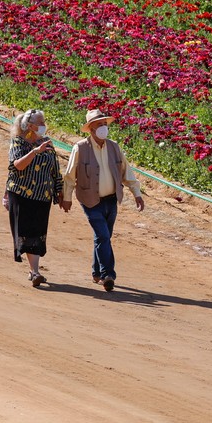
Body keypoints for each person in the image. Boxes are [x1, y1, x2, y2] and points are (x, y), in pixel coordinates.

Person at [61, 109, 144, 292]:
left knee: (103, 237)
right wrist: (67, 198)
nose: (103, 128)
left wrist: (136, 193)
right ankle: (108, 275)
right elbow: (69, 175)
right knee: (103, 236)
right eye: (99, 125)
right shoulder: (80, 148)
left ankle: (96, 272)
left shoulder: (114, 147)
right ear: (90, 128)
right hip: (90, 200)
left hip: (111, 199)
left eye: (105, 124)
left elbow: (126, 171)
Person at [6, 109, 63, 288]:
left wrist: (60, 192)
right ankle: (35, 271)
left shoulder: (47, 143)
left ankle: (34, 271)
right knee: (27, 231)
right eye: (40, 122)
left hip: (42, 196)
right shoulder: (18, 142)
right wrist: (35, 152)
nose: (43, 125)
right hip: (22, 195)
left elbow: (55, 168)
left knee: (38, 233)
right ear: (29, 126)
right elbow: (17, 165)